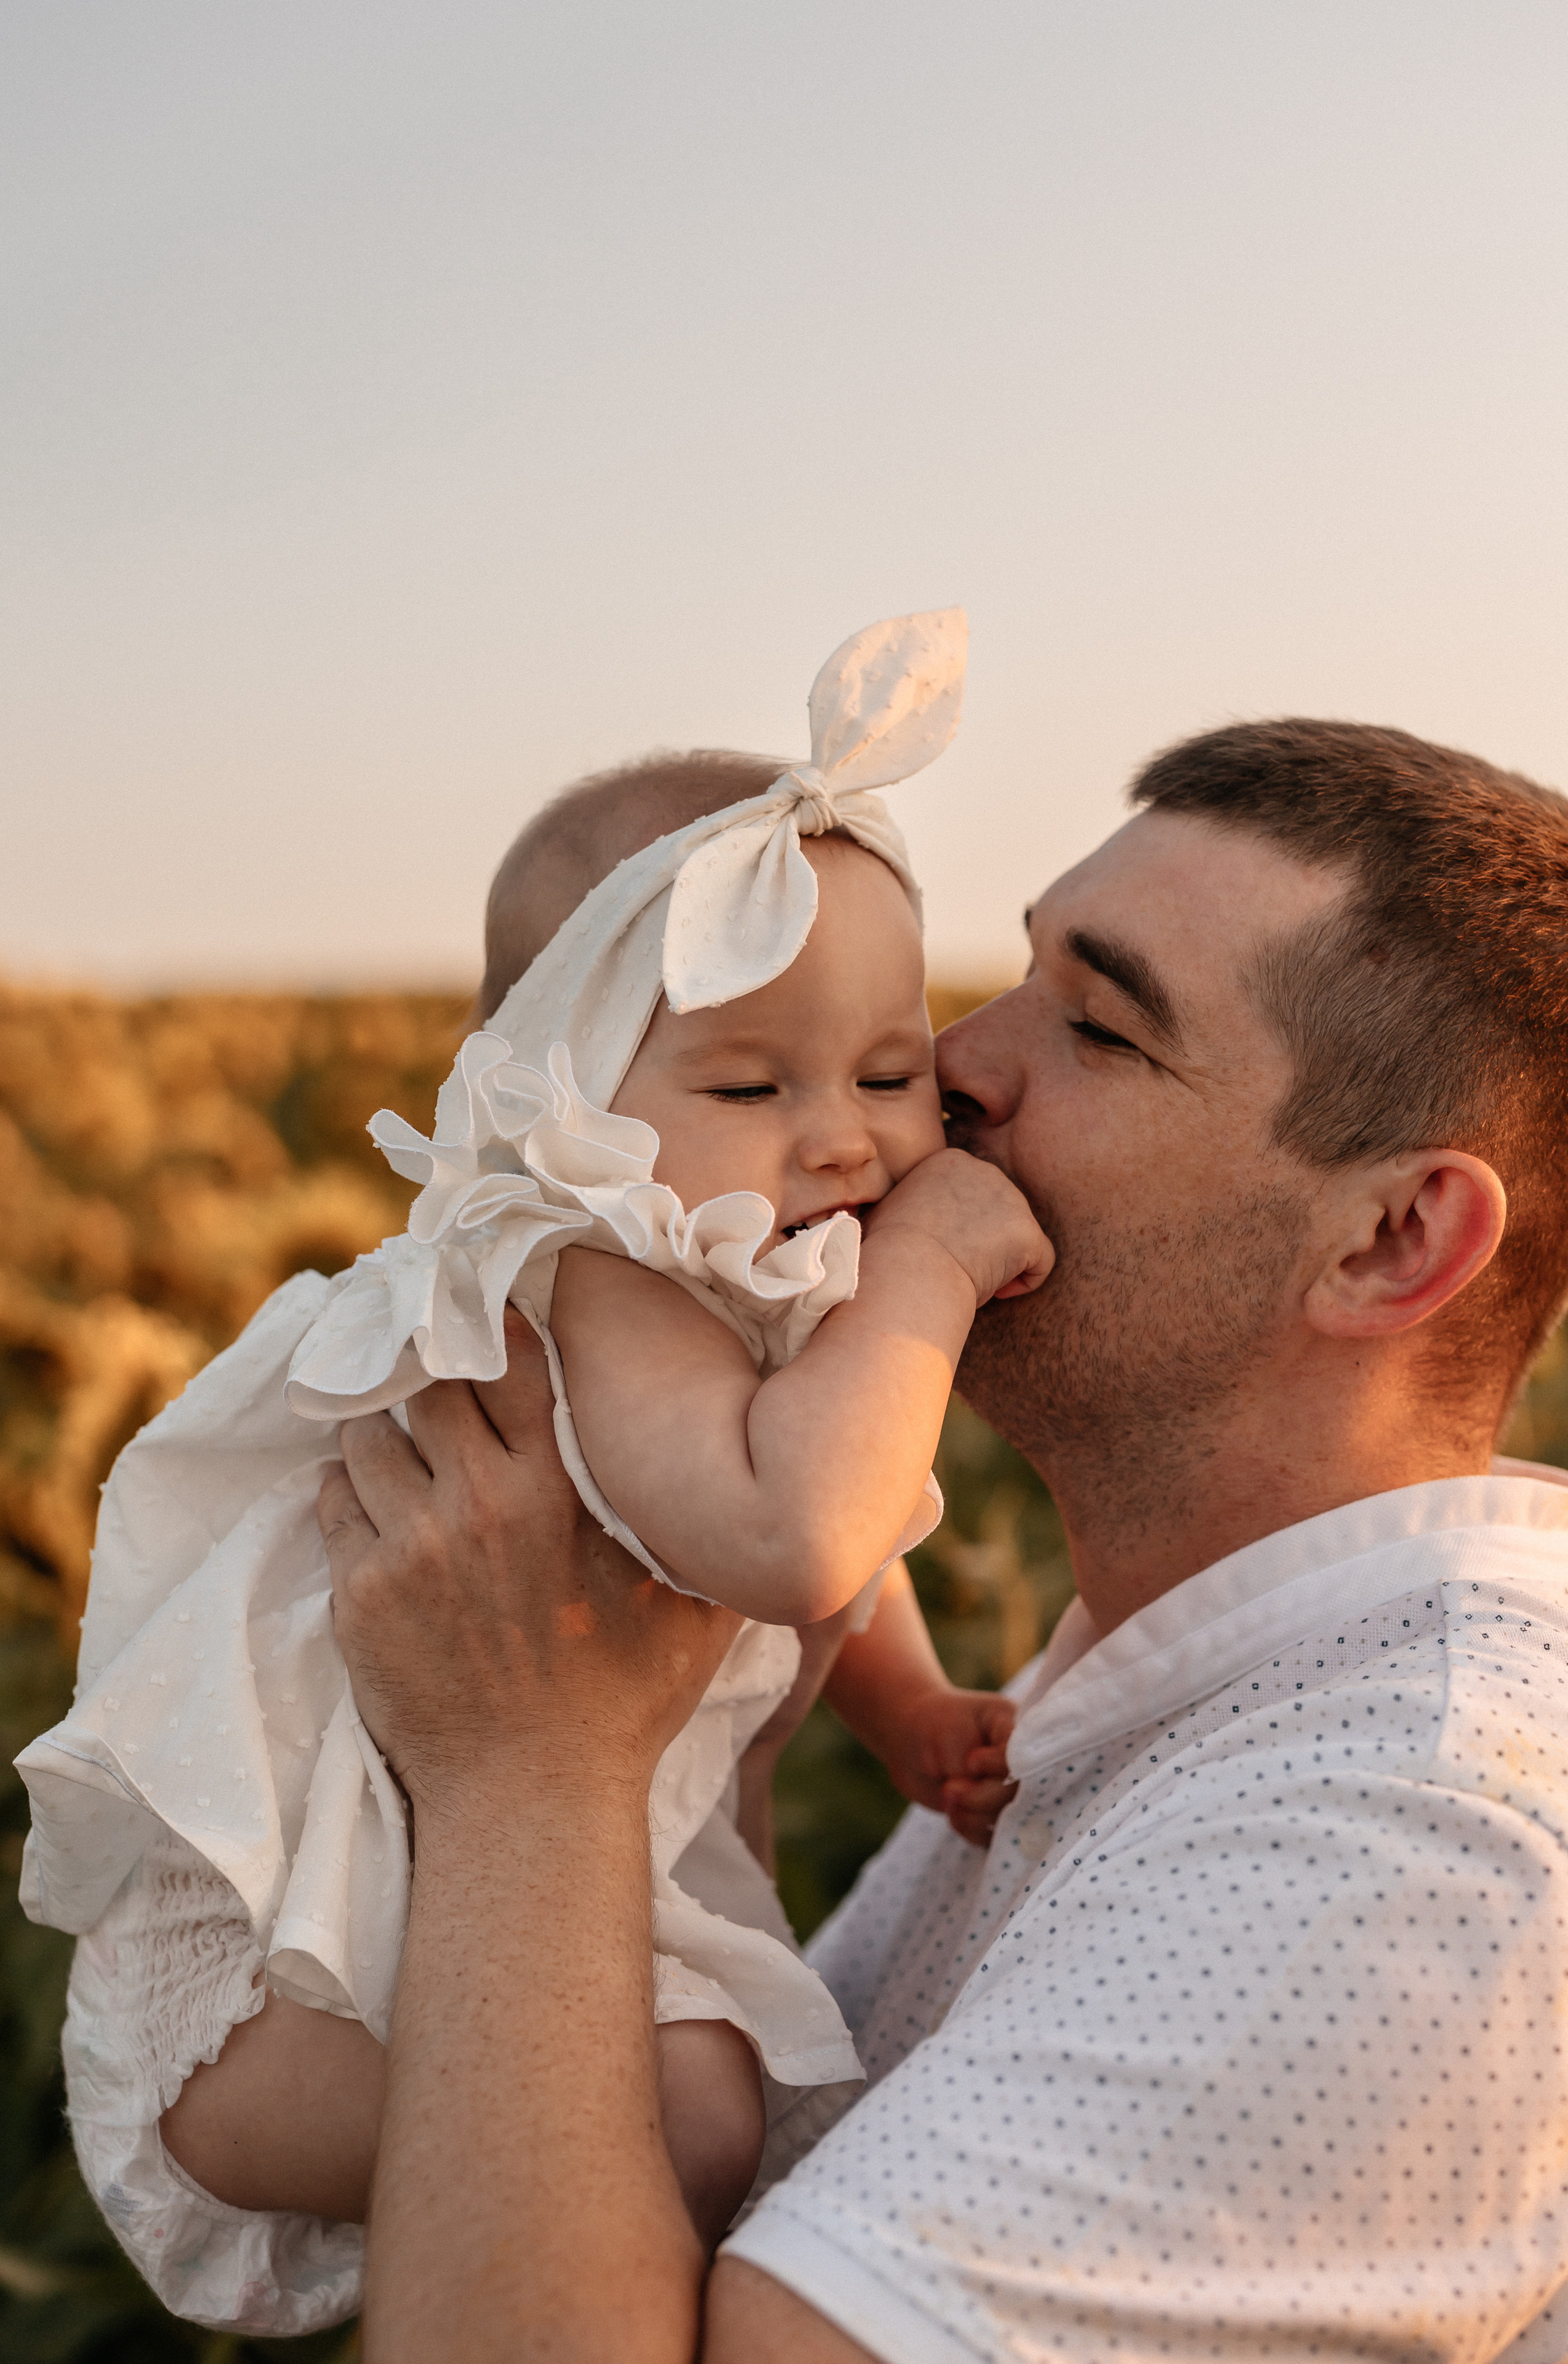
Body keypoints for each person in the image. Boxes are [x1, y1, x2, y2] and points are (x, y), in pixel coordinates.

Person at [319, 717, 1568, 2361]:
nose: (953, 1066)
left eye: (1103, 1031)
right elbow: (673, 2213)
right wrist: (708, 1730)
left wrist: (525, 1774)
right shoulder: (1160, 1687)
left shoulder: (1413, 1836)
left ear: (1391, 1239)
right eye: (1011, 977)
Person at [16, 611, 1048, 2331]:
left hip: (490, 1915)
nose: (845, 1137)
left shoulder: (761, 1300)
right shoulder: (596, 1277)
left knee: (726, 2114)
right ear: (559, 1096)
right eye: (746, 1079)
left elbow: (837, 1564)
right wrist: (934, 1270)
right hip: (294, 1977)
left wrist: (917, 1710)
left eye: (891, 1071)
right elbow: (785, 1531)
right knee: (712, 2116)